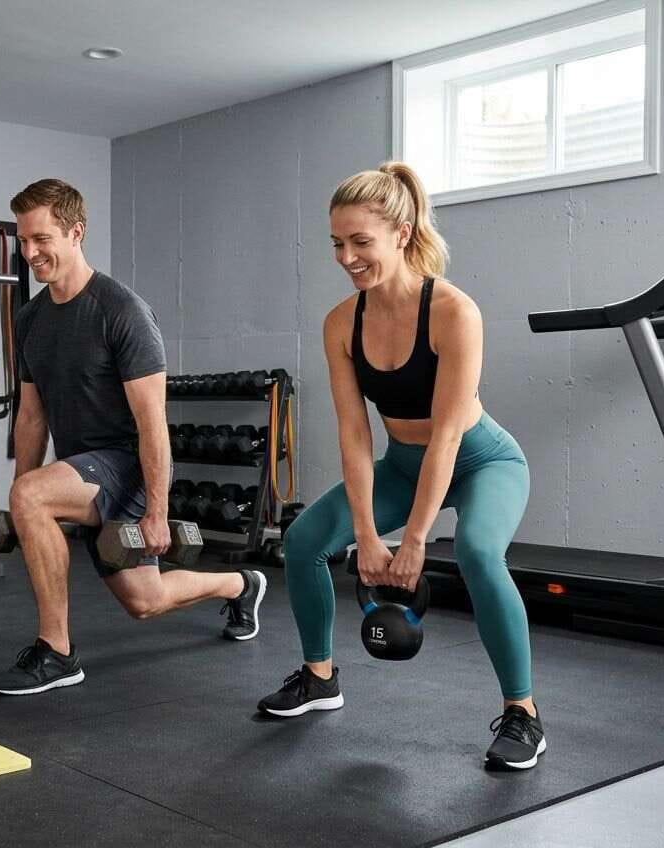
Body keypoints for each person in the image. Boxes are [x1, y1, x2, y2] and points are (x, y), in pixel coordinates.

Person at [256, 162, 544, 771]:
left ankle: (524, 714)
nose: (346, 257)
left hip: (481, 459)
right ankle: (319, 676)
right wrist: (364, 533)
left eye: (361, 241)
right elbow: (354, 432)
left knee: (478, 554)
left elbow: (446, 436)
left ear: (403, 232)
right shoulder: (342, 322)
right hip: (403, 464)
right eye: (338, 243)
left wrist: (413, 541)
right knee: (306, 540)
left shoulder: (453, 312)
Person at [0, 178, 267, 697]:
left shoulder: (122, 311)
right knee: (146, 601)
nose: (29, 253)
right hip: (83, 469)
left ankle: (58, 652)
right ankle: (240, 584)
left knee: (35, 496)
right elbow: (30, 416)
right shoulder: (29, 320)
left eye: (41, 239)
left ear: (76, 232)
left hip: (124, 466)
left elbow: (152, 422)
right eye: (22, 240)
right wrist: (19, 494)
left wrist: (156, 510)